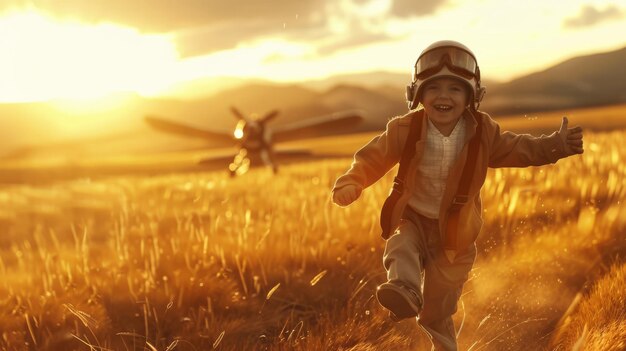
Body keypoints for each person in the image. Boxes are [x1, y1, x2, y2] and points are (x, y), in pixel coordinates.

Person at [330, 40, 584, 350]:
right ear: (418, 95)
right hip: (412, 218)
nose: (443, 96)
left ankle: (444, 345)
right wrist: (350, 182)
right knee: (400, 245)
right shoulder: (404, 129)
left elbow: (519, 148)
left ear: (472, 97)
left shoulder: (483, 132)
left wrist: (555, 146)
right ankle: (405, 291)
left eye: (455, 89)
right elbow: (372, 158)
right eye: (434, 88)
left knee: (437, 312)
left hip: (457, 236)